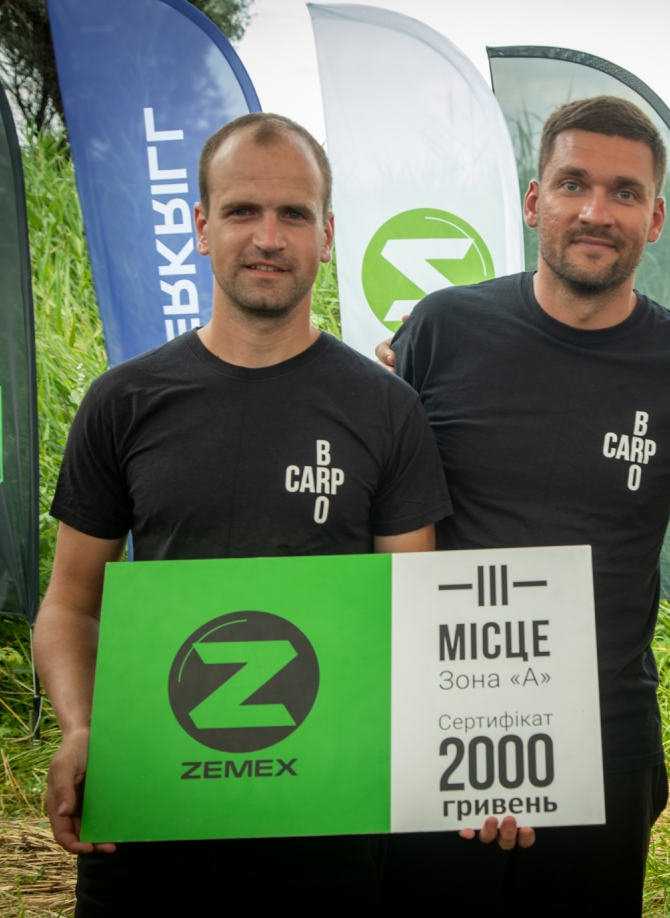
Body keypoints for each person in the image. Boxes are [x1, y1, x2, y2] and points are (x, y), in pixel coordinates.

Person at [35, 113, 452, 916]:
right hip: (147, 805)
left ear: (326, 236)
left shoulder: (387, 411)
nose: (268, 237)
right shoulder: (123, 401)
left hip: (325, 819)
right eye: (241, 211)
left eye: (293, 213)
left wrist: (469, 768)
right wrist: (83, 729)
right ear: (201, 227)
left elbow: (415, 616)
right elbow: (71, 604)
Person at [374, 96, 670, 916]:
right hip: (443, 726)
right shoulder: (441, 330)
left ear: (656, 219)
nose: (595, 211)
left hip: (603, 740)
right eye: (573, 184)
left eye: (625, 193)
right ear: (533, 200)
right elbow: (381, 518)